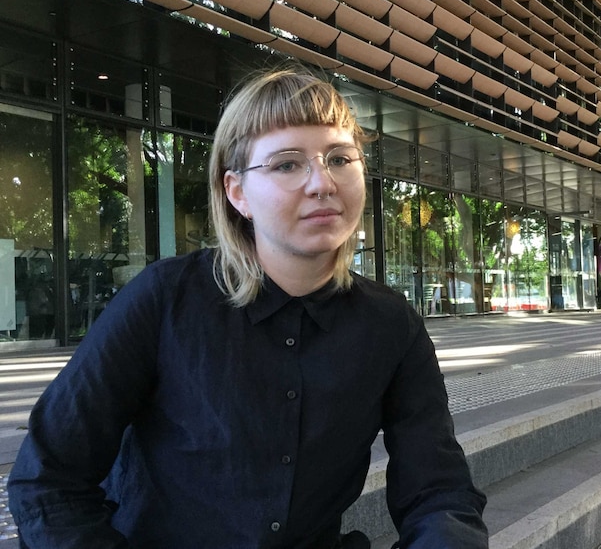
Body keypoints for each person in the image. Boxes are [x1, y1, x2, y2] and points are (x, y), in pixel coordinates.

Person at [8, 68, 488, 549]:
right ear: (237, 192)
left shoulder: (390, 323)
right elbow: (49, 481)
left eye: (340, 158)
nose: (323, 183)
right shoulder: (164, 299)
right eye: (286, 164)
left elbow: (439, 491)